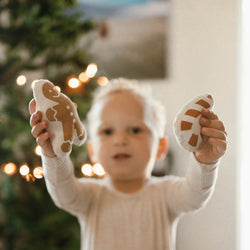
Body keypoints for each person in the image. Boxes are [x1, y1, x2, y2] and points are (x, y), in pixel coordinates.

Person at [29, 78, 227, 250]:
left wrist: (205, 161)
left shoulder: (166, 193)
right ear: (92, 152)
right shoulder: (89, 196)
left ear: (160, 147)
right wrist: (54, 156)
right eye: (107, 132)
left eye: (134, 130)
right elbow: (62, 192)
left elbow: (194, 196)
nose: (120, 140)